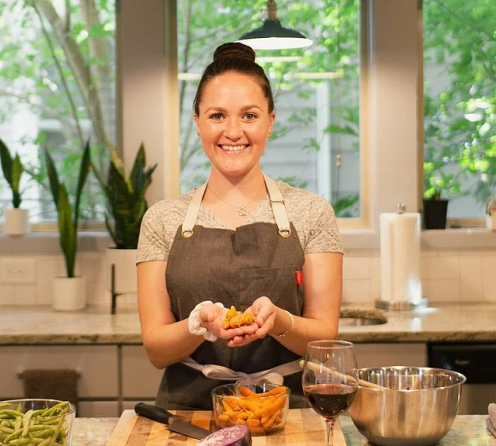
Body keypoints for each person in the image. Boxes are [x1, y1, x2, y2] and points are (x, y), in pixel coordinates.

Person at [136, 41, 343, 410]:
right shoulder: (162, 219)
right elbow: (155, 349)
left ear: (270, 121)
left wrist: (280, 320)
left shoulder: (312, 212)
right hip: (189, 419)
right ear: (197, 121)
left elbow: (325, 340)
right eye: (217, 116)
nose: (233, 131)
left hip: (289, 415)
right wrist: (197, 323)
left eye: (249, 115)